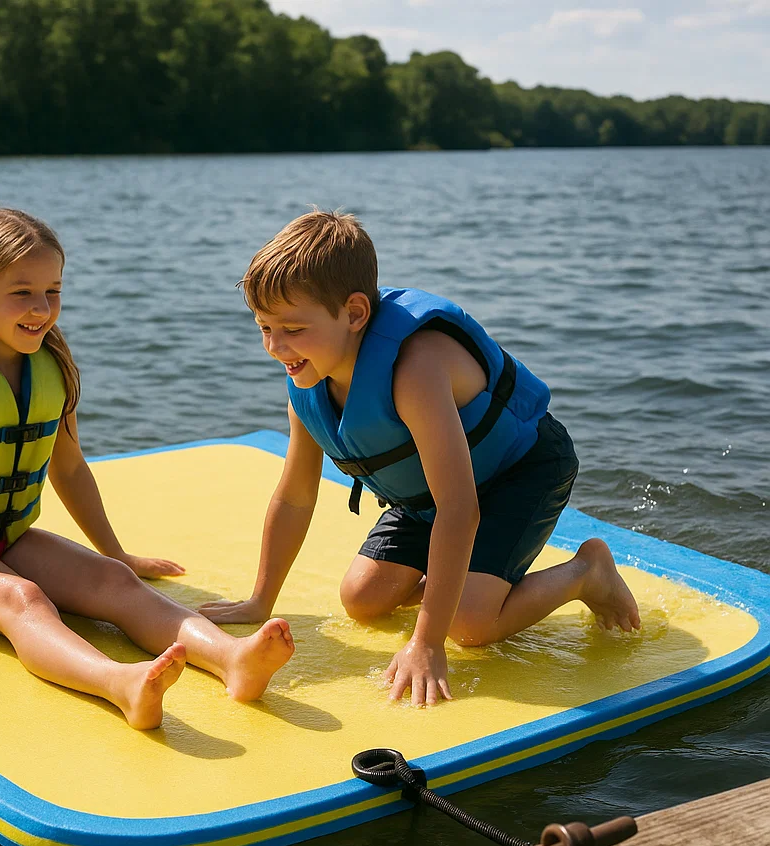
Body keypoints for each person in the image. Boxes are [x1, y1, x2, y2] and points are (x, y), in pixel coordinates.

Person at [0, 207, 294, 730]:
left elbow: (72, 471)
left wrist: (118, 552)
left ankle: (230, 658)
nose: (42, 308)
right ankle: (119, 683)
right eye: (22, 293)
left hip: (11, 539)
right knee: (21, 597)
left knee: (114, 580)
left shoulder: (50, 366)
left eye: (52, 292)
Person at [201, 210, 640, 707]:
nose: (275, 347)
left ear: (354, 313)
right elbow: (296, 496)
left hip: (518, 472)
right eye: (264, 328)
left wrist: (427, 641)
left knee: (469, 625)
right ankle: (466, 577)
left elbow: (461, 509)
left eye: (293, 329)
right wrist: (261, 600)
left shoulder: (415, 370)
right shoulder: (308, 379)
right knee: (362, 600)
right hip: (432, 497)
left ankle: (586, 572)